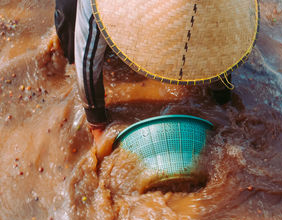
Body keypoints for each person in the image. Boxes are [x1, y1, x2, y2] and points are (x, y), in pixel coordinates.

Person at [55, 0, 259, 144]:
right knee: (70, 29)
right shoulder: (96, 5)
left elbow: (219, 45)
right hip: (85, 10)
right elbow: (86, 59)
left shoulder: (220, 10)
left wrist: (222, 101)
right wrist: (97, 126)